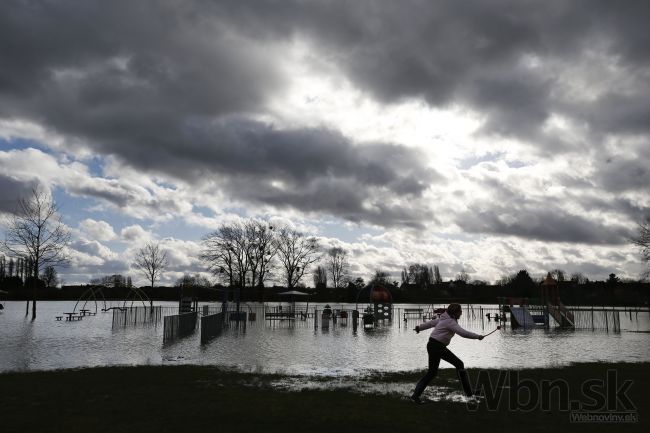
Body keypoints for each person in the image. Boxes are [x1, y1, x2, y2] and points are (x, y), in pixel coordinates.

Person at [410, 303, 483, 402]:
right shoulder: (450, 322)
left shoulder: (444, 319)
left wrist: (420, 328)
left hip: (434, 345)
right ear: (455, 312)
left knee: (436, 371)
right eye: (460, 311)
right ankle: (415, 396)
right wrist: (477, 336)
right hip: (436, 346)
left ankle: (469, 393)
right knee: (452, 366)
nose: (461, 313)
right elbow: (463, 333)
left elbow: (431, 323)